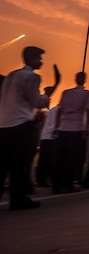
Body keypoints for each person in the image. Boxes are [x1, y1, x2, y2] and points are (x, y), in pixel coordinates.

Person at [0, 46, 60, 210]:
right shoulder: (32, 77)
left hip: (4, 124)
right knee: (20, 164)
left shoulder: (11, 76)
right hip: (22, 124)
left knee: (3, 164)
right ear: (31, 58)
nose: (41, 62)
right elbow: (36, 102)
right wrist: (49, 93)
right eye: (39, 58)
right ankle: (18, 199)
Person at [53, 72, 89, 194]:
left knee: (60, 157)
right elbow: (88, 111)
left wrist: (56, 126)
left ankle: (57, 184)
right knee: (72, 157)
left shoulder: (66, 93)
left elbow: (59, 110)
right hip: (76, 127)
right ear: (84, 80)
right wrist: (87, 128)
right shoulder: (87, 94)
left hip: (63, 127)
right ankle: (68, 184)